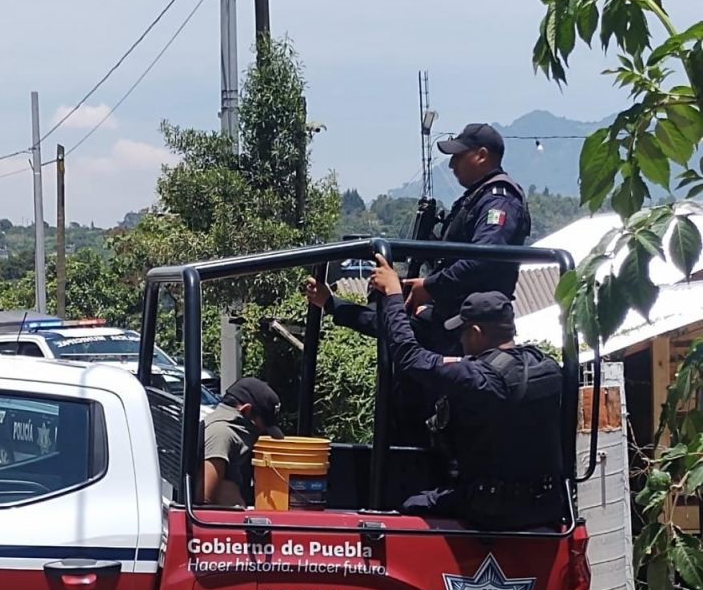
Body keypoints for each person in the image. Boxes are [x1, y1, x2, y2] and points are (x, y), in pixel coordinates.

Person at [369, 254, 564, 531]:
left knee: (408, 506)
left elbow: (409, 357)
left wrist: (392, 295)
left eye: (462, 332)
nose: (459, 339)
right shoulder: (548, 367)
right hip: (543, 506)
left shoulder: (475, 377)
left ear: (475, 332)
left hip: (489, 509)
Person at [305, 122, 530, 355]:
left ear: (481, 156)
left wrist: (431, 286)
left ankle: (331, 303)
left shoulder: (499, 200)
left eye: (458, 156)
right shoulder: (476, 198)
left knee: (400, 329)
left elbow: (484, 258)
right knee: (393, 317)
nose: (451, 164)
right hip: (453, 314)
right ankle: (330, 302)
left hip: (472, 323)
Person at [198, 377, 284, 507]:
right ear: (246, 410)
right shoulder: (222, 434)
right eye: (261, 427)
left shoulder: (227, 429)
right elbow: (204, 500)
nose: (260, 433)